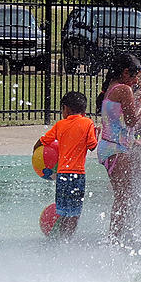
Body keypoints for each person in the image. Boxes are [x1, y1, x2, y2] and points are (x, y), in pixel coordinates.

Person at [35, 92, 98, 239]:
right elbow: (92, 146)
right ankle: (68, 241)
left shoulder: (60, 125)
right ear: (83, 110)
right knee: (75, 213)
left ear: (66, 109)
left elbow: (42, 142)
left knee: (62, 211)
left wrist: (35, 153)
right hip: (78, 175)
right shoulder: (87, 123)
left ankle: (60, 240)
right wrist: (96, 134)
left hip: (62, 175)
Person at [96, 53, 141, 241]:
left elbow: (118, 122)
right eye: (135, 76)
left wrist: (134, 141)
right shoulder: (124, 89)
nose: (135, 81)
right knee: (124, 196)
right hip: (117, 149)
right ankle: (115, 238)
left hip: (109, 147)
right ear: (126, 73)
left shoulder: (111, 87)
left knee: (123, 195)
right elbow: (132, 120)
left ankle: (118, 235)